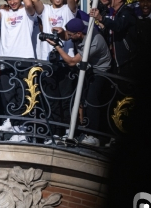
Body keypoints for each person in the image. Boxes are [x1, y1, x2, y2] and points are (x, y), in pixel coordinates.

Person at [47, 18, 111, 147]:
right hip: (88, 69)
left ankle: (94, 136)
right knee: (81, 99)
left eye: (71, 35)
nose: (68, 37)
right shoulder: (84, 26)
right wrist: (62, 33)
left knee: (92, 100)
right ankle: (81, 130)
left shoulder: (92, 42)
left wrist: (57, 46)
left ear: (79, 34)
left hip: (101, 71)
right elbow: (68, 36)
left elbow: (71, 61)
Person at [0, 0, 36, 141]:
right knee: (9, 94)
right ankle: (13, 124)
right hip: (6, 59)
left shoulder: (28, 13)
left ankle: (21, 128)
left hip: (25, 59)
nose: (12, 2)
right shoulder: (4, 12)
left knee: (22, 95)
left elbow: (30, 5)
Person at [90, 0, 137, 76]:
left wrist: (101, 18)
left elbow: (118, 26)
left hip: (127, 60)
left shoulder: (126, 12)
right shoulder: (117, 13)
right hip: (116, 59)